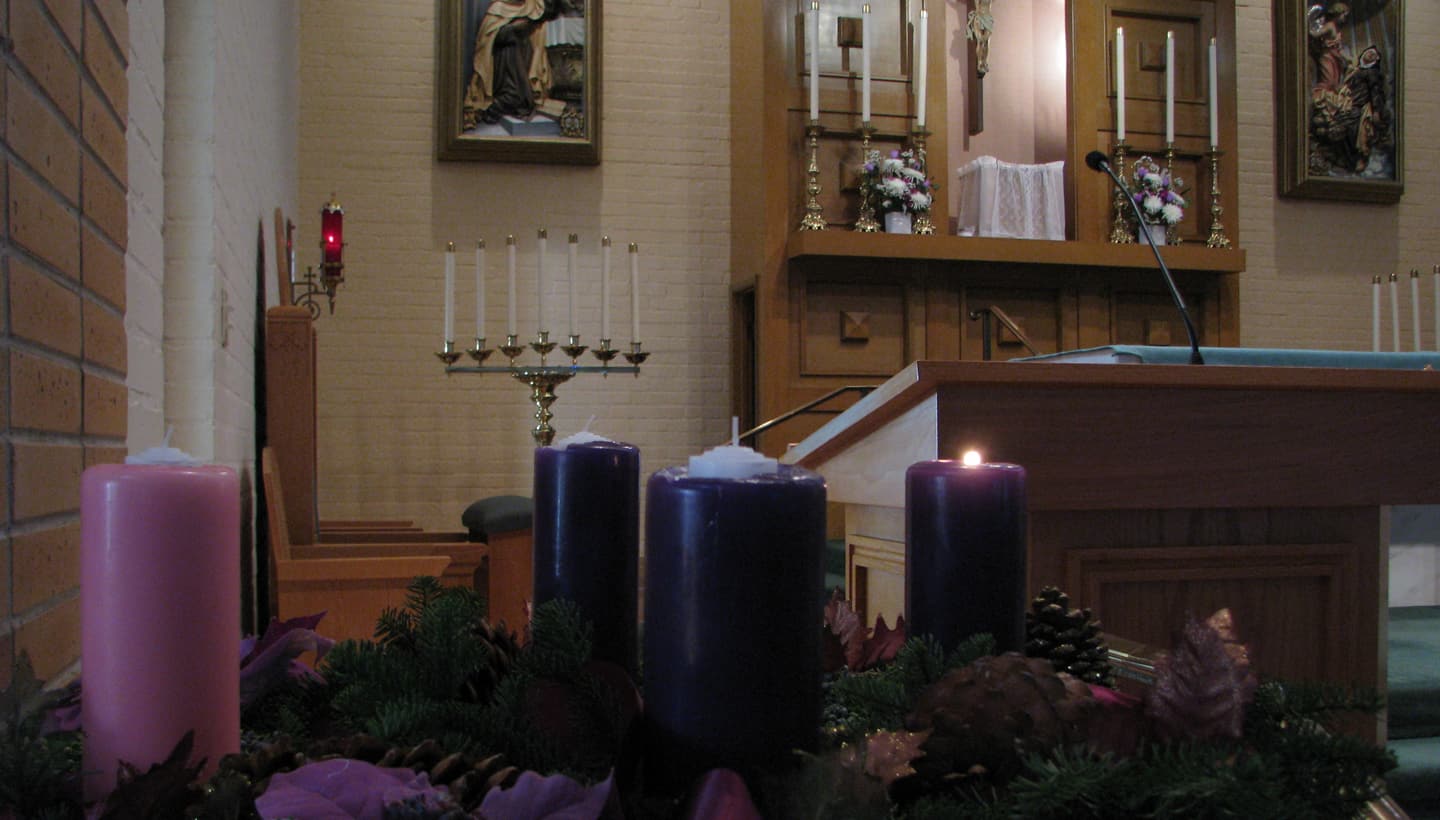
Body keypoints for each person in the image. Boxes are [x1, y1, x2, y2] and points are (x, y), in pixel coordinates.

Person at [462, 0, 561, 129]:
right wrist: (513, 29)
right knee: (510, 50)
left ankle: (509, 100)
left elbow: (548, 12)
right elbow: (488, 40)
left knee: (520, 97)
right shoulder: (498, 9)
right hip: (503, 64)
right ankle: (503, 101)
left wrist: (525, 24)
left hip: (525, 59)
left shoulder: (533, 5)